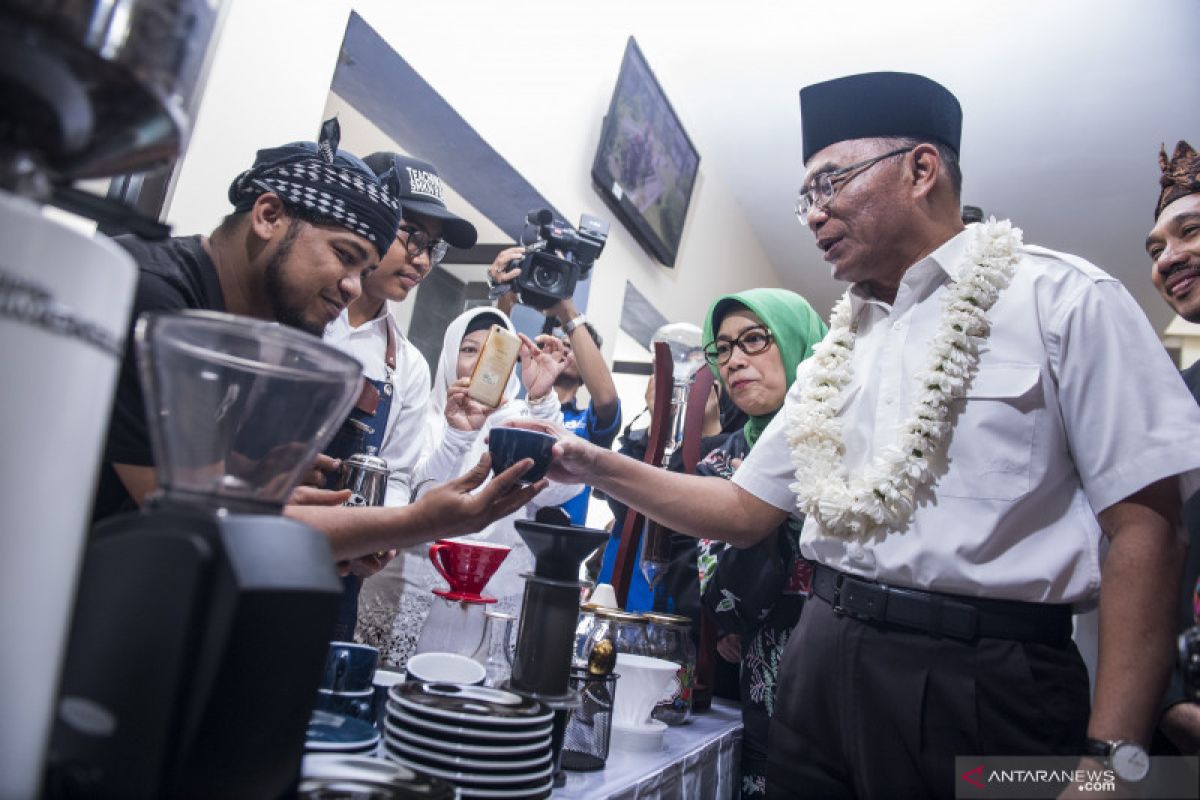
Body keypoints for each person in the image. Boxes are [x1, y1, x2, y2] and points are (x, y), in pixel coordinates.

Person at [510, 72, 1200, 798]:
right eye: (805, 196)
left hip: (987, 683)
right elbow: (744, 510)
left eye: (829, 183)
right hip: (821, 660)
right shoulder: (842, 346)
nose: (813, 214)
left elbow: (1148, 533)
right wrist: (590, 465)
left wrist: (1111, 766)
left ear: (921, 168)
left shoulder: (1063, 299)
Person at [93, 119, 545, 571]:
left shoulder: (251, 324)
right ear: (269, 215)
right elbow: (193, 517)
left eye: (364, 270)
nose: (351, 287)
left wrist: (275, 498)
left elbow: (211, 495)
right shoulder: (158, 299)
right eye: (346, 257)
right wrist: (412, 522)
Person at [321, 152, 486, 637]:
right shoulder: (304, 315)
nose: (421, 259)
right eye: (411, 235)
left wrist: (382, 535)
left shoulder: (407, 365)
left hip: (341, 571)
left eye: (432, 248)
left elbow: (396, 476)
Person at [370, 306, 580, 668]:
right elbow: (415, 501)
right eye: (469, 350)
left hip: (493, 604)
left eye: (495, 351)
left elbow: (558, 490)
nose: (482, 360)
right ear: (451, 356)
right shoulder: (426, 416)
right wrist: (457, 435)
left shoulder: (523, 421)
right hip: (413, 597)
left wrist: (543, 403)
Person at [693, 288, 827, 797]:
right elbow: (724, 600)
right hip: (769, 703)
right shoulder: (722, 466)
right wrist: (761, 494)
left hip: (868, 687)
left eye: (753, 339)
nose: (734, 361)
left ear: (798, 345)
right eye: (722, 348)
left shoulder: (853, 446)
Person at [490, 258, 621, 524]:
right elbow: (489, 371)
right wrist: (506, 296)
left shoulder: (589, 422)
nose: (563, 350)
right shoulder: (519, 410)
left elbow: (607, 400)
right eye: (559, 343)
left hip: (558, 546)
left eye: (572, 347)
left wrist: (567, 313)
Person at [1146, 139, 1200, 754]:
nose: (1167, 258)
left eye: (1190, 231)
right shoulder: (1179, 401)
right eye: (1157, 249)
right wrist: (1167, 701)